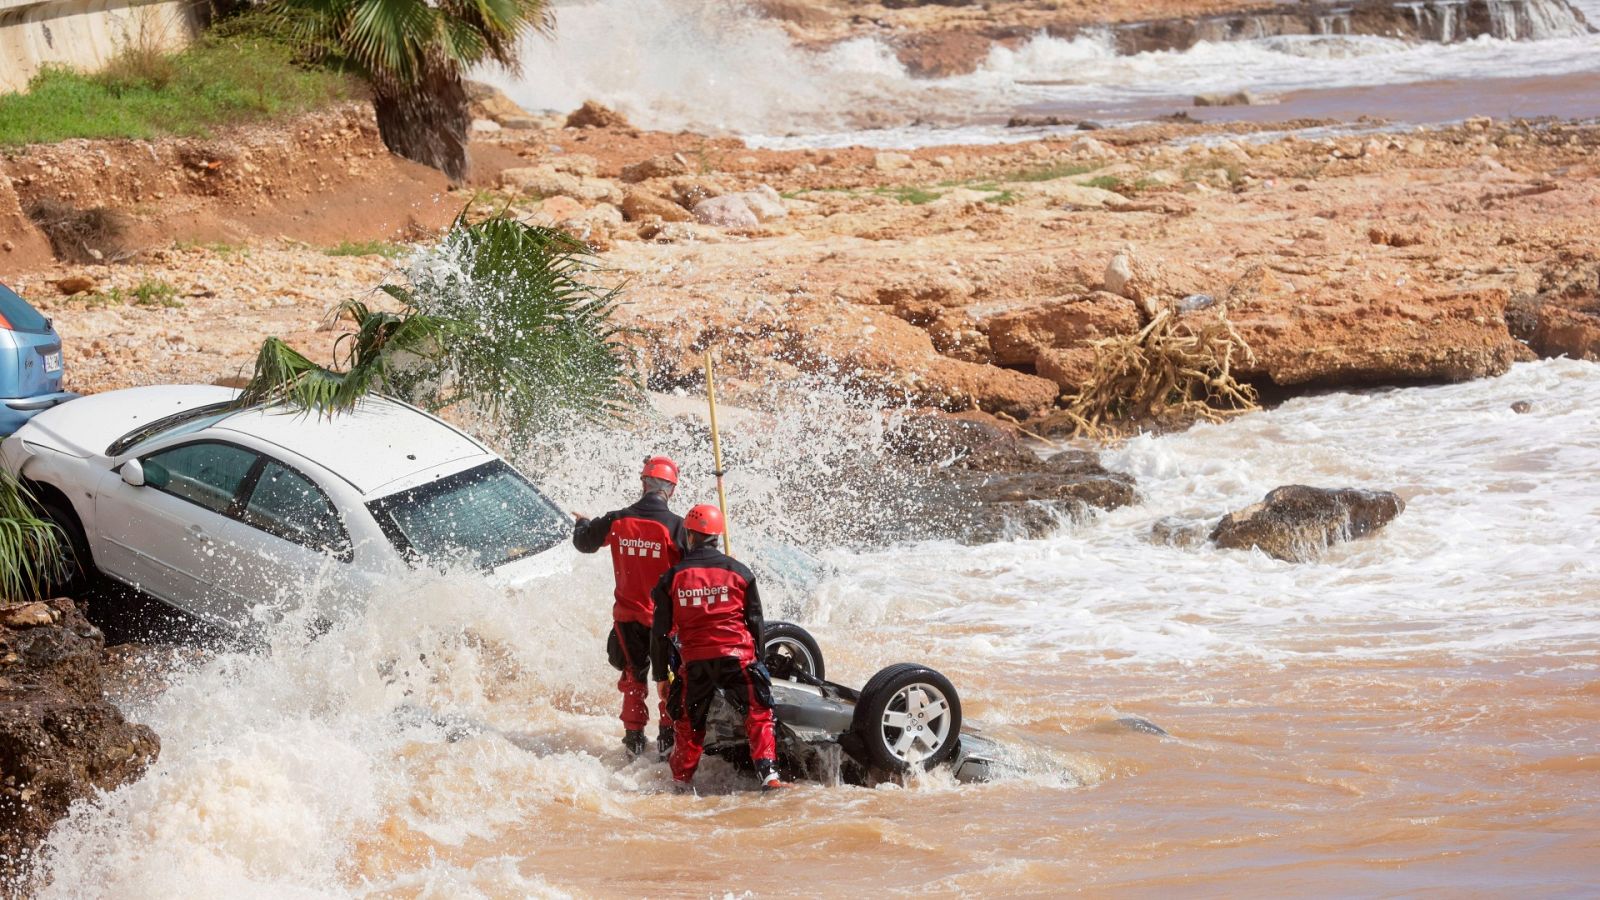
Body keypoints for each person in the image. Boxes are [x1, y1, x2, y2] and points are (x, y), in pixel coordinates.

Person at [650, 504, 792, 793]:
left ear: (689, 537)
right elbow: (756, 624)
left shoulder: (671, 578)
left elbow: (660, 634)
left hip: (696, 664)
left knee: (689, 725)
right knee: (759, 712)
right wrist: (759, 666)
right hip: (738, 659)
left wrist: (661, 677)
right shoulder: (741, 572)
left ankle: (680, 784)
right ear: (718, 537)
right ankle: (769, 775)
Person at [572, 455, 688, 757]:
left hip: (626, 618)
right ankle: (667, 740)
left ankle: (634, 741)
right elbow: (695, 569)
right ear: (671, 490)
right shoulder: (677, 527)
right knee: (669, 678)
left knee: (632, 676)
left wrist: (583, 523)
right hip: (665, 622)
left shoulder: (617, 520)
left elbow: (584, 543)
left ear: (643, 483)